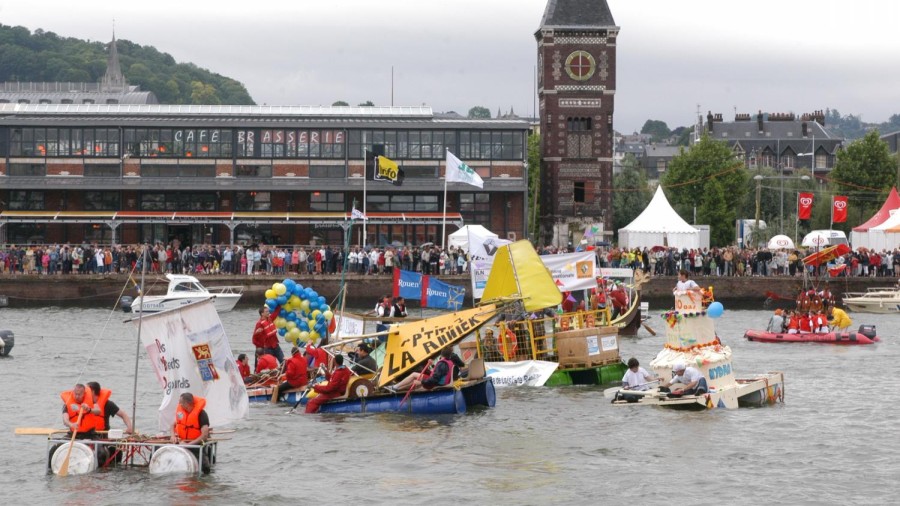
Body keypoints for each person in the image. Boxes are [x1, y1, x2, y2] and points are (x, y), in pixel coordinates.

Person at [171, 392, 212, 472]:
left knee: (205, 467)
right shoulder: (181, 413)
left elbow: (204, 436)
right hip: (183, 442)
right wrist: (173, 436)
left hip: (199, 442)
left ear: (187, 403)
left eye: (181, 402)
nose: (179, 404)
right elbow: (172, 425)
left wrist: (189, 445)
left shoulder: (202, 414)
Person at [391, 347, 461, 392]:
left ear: (441, 354)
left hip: (435, 383)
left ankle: (396, 386)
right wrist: (431, 365)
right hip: (440, 382)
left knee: (414, 375)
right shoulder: (449, 361)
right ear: (450, 355)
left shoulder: (442, 364)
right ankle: (398, 388)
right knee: (414, 381)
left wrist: (422, 382)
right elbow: (438, 373)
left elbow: (434, 379)